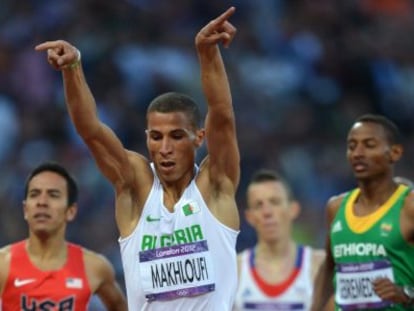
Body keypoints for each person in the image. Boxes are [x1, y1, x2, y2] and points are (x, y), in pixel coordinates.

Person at [35, 6, 240, 311]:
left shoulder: (216, 186)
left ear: (199, 137)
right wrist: (73, 67)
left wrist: (207, 53)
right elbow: (90, 130)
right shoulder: (136, 187)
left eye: (176, 136)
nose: (165, 148)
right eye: (155, 137)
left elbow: (222, 116)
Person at [310, 114, 414, 311]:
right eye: (351, 146)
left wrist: (406, 294)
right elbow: (329, 268)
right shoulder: (336, 207)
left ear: (395, 153)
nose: (358, 153)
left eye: (369, 145)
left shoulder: (409, 207)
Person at [0, 161, 127, 310]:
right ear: (25, 209)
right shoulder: (3, 264)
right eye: (34, 194)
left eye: (53, 195)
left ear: (71, 211)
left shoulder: (94, 268)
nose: (42, 202)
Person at [233, 169, 327, 311]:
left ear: (293, 209)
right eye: (259, 205)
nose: (267, 212)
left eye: (274, 202)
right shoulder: (235, 270)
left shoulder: (319, 266)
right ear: (249, 217)